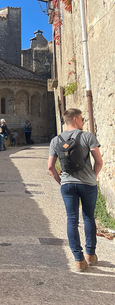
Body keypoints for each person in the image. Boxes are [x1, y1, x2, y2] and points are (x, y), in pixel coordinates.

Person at [48, 108, 103, 272]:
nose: (84, 122)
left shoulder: (55, 140)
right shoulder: (87, 136)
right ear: (76, 119)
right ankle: (90, 255)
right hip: (88, 184)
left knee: (72, 219)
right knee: (88, 217)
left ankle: (78, 260)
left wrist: (61, 182)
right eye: (82, 119)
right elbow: (99, 161)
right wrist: (92, 176)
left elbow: (50, 167)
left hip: (67, 185)